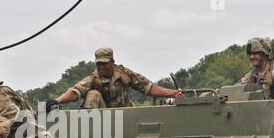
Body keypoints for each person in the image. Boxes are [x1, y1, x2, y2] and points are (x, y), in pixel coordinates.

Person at [46, 47, 183, 111]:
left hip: (126, 116)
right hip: (105, 121)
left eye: (104, 63)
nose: (101, 67)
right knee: (93, 94)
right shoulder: (94, 78)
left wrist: (173, 93)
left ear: (112, 62)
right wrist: (56, 101)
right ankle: (88, 132)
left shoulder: (124, 73)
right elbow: (75, 91)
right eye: (99, 63)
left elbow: (148, 88)